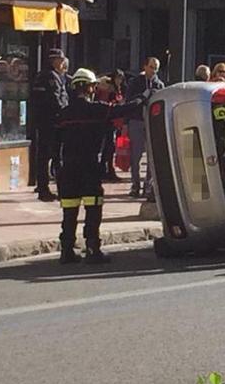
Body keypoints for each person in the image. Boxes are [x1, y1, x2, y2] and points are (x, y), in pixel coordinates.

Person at [56, 68, 151, 264]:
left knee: (70, 210)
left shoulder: (63, 113)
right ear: (89, 88)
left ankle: (66, 251)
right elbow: (121, 110)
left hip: (68, 168)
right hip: (89, 166)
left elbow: (53, 141)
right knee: (93, 208)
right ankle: (92, 249)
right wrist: (143, 98)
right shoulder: (96, 109)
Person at [30, 48, 69, 202]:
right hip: (51, 123)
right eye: (61, 60)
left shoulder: (51, 76)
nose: (63, 63)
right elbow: (55, 101)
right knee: (55, 158)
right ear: (54, 61)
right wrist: (65, 114)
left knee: (45, 157)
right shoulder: (50, 77)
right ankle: (53, 189)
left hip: (46, 122)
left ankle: (44, 187)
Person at [125, 56, 165, 199]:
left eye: (156, 68)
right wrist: (142, 96)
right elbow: (128, 101)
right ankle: (135, 184)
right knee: (135, 156)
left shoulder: (159, 84)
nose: (153, 71)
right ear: (145, 67)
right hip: (136, 121)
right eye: (151, 67)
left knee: (151, 157)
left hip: (150, 123)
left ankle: (148, 186)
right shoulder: (135, 82)